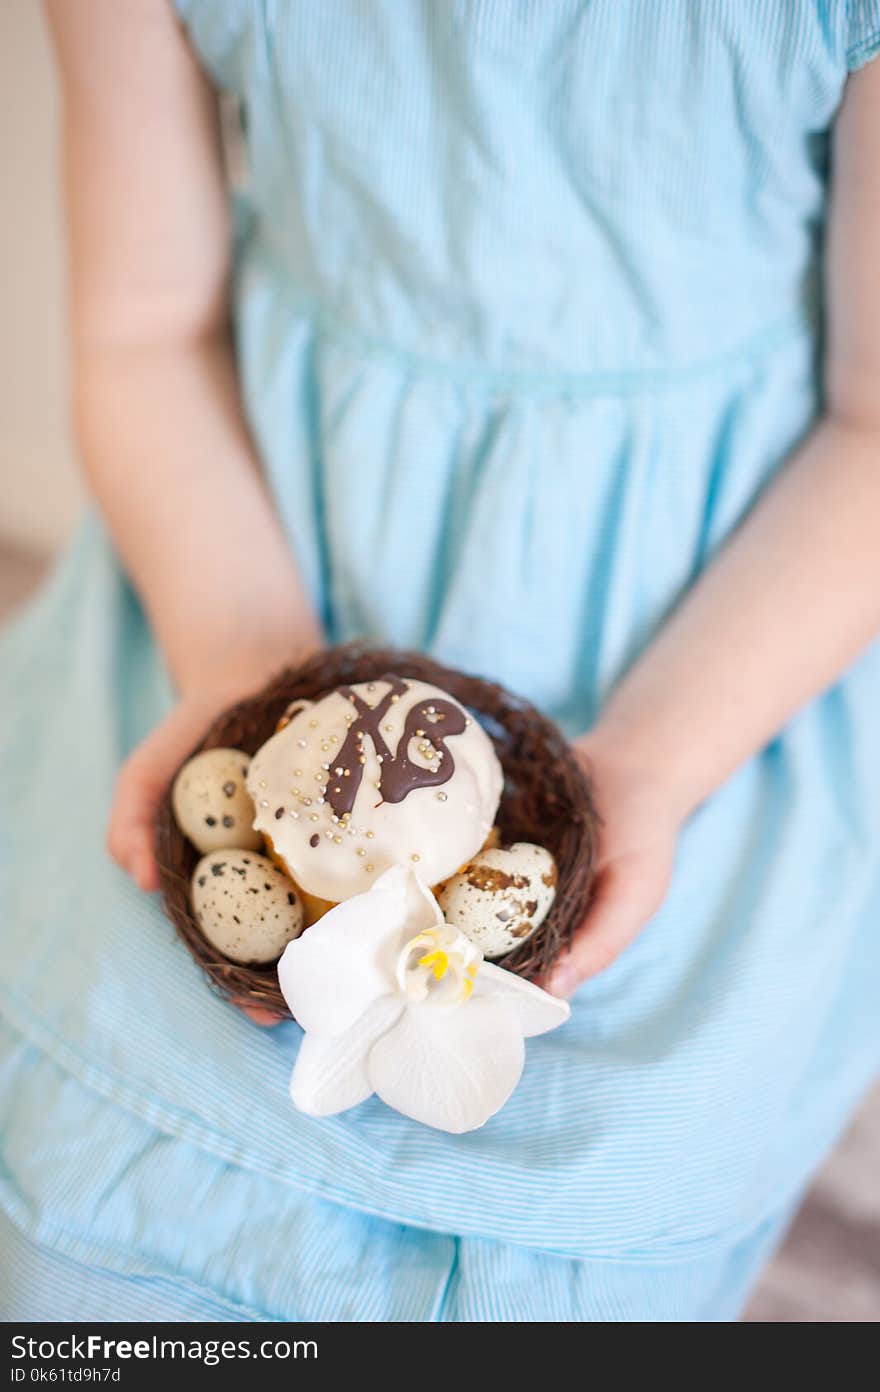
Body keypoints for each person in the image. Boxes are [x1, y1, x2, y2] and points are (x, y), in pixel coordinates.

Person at [1, 0, 879, 1321]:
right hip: (249, 555)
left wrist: (647, 763)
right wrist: (245, 669)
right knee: (99, 1143)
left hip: (713, 626)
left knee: (606, 1197)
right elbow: (143, 334)